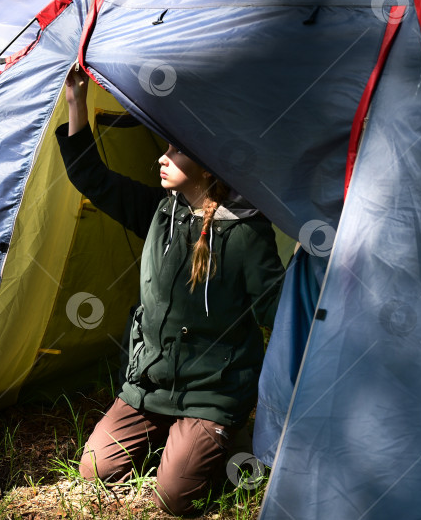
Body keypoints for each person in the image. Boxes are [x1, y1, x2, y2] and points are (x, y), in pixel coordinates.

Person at [56, 65, 284, 516]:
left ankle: (225, 435)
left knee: (175, 498)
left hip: (213, 393)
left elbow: (276, 312)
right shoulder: (161, 213)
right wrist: (76, 102)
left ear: (206, 162)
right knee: (94, 469)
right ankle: (174, 436)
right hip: (150, 383)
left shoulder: (247, 234)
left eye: (176, 151)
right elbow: (92, 179)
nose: (163, 157)